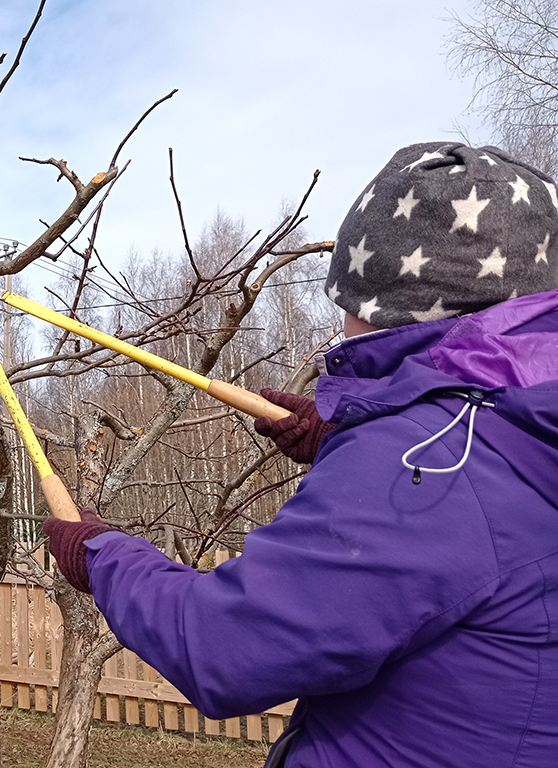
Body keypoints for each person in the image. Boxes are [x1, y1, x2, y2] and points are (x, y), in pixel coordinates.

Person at [44, 141, 558, 767]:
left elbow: (221, 645)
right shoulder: (513, 423)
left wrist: (100, 557)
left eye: (348, 302)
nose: (343, 323)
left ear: (388, 305)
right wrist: (345, 440)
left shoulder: (426, 461)